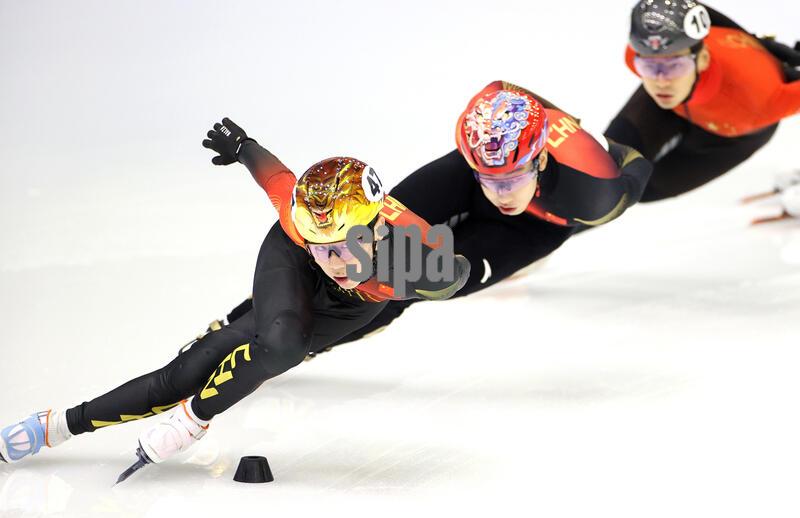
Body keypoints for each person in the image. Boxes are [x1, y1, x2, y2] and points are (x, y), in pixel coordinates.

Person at [0, 119, 469, 473]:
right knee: (192, 372)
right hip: (290, 262)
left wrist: (428, 276)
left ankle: (195, 416)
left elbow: (455, 275)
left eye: (346, 246)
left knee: (279, 346)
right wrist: (243, 147)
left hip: (355, 306)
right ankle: (55, 425)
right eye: (322, 245)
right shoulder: (300, 227)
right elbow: (276, 177)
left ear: (378, 228)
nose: (334, 260)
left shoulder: (411, 252)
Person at [328, 81, 653, 347]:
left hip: (531, 230)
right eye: (491, 178)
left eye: (513, 178)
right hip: (467, 180)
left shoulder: (596, 194)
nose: (501, 193)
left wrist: (601, 143)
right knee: (379, 228)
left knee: (409, 280)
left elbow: (639, 166)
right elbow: (499, 86)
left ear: (540, 161)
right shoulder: (485, 134)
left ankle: (317, 343)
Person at [605, 0, 800, 203]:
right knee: (603, 168)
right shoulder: (644, 54)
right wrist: (752, 38)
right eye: (648, 66)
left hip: (727, 137)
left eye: (675, 65)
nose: (661, 81)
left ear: (703, 58)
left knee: (641, 192)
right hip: (674, 104)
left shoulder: (762, 100)